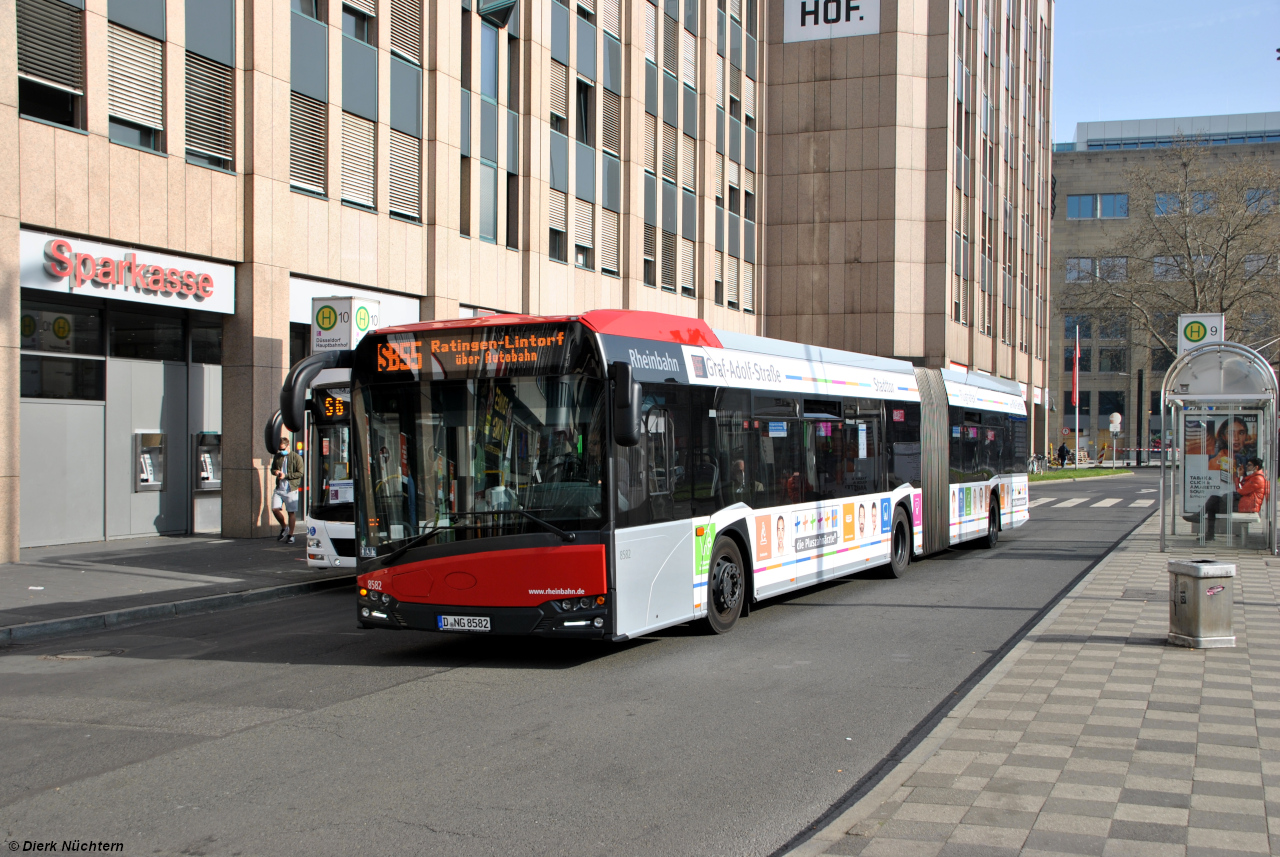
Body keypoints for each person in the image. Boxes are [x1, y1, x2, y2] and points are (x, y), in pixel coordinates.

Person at [1204, 456, 1268, 541]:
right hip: (1245, 504)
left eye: (1249, 465)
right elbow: (1241, 489)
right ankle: (1209, 533)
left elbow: (1241, 491)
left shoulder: (1257, 479)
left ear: (1256, 467)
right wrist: (1240, 476)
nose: (1247, 467)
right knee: (1212, 505)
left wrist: (1239, 479)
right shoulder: (1254, 477)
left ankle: (1201, 517)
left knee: (1213, 501)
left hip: (1247, 507)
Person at [271, 437, 304, 543]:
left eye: (282, 449)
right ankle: (284, 527)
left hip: (291, 488)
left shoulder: (296, 457)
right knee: (275, 509)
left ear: (288, 446)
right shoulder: (278, 456)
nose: (281, 451)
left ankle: (291, 535)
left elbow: (300, 473)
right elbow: (273, 469)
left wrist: (286, 476)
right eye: (280, 449)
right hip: (279, 488)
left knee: (291, 512)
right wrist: (275, 472)